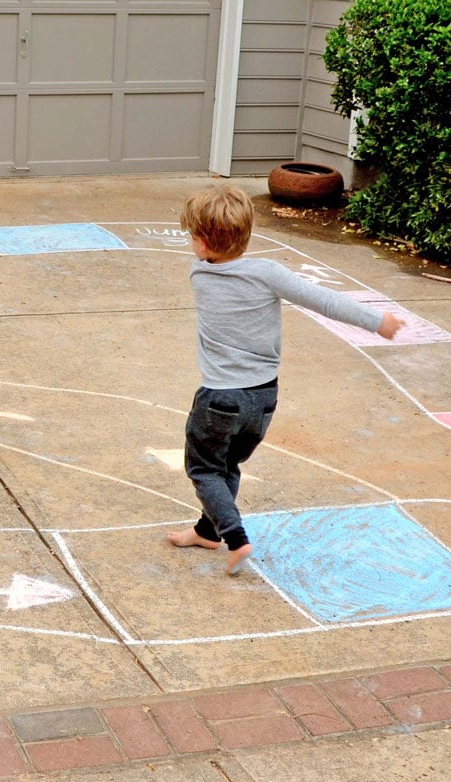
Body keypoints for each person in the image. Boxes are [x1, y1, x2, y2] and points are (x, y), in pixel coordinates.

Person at [168, 184, 404, 574]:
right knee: (228, 465)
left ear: (204, 243)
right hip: (263, 399)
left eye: (193, 236)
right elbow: (323, 299)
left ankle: (235, 537)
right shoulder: (267, 273)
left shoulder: (200, 272)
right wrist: (377, 321)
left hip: (220, 399)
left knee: (205, 469)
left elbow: (216, 259)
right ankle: (207, 532)